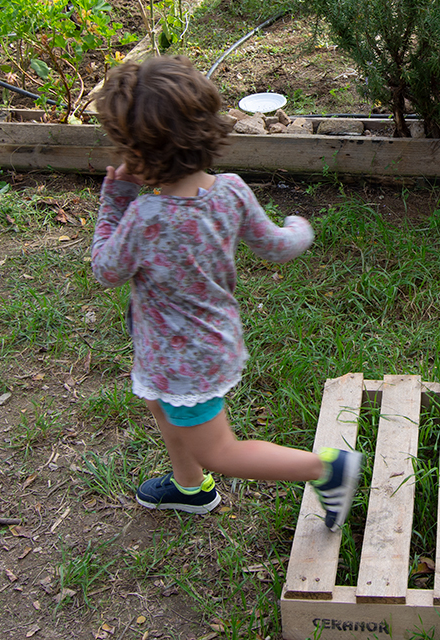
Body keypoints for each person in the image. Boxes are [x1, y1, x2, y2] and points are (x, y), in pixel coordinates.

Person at [91, 56, 362, 530]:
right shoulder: (231, 191)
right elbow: (276, 246)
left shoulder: (143, 219)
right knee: (160, 406)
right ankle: (188, 488)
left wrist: (114, 202)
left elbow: (105, 270)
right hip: (209, 342)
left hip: (182, 360)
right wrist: (300, 227)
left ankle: (325, 469)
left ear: (137, 153)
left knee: (219, 451)